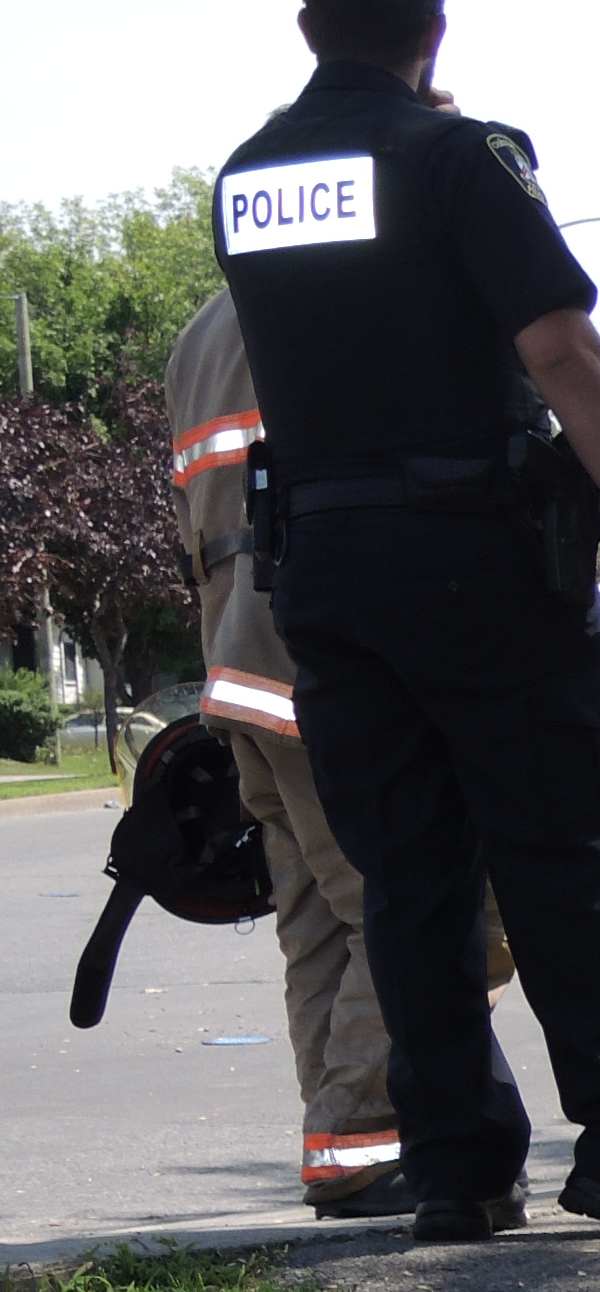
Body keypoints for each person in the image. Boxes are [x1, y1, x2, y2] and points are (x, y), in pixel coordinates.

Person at [210, 0, 600, 1243]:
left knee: (409, 878)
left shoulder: (247, 180)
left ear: (307, 27)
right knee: (574, 856)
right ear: (435, 30)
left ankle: (460, 1170)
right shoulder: (461, 156)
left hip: (326, 574)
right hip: (479, 559)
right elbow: (563, 349)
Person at [162, 289, 415, 1221]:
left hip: (236, 660)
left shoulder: (200, 333)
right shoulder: (334, 293)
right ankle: (363, 1140)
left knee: (316, 920)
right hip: (320, 656)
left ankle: (343, 1148)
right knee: (415, 909)